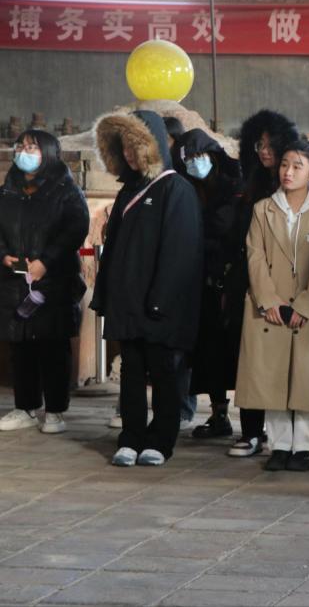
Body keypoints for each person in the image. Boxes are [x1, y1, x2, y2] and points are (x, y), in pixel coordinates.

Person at [92, 110, 203, 467]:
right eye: (123, 147)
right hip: (127, 304)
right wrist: (106, 296)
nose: (128, 154)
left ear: (152, 145)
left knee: (164, 372)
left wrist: (160, 301)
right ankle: (131, 437)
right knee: (131, 371)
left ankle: (161, 440)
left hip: (159, 305)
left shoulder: (176, 188)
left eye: (135, 146)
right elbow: (115, 249)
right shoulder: (128, 190)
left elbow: (180, 252)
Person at [234, 140, 309, 472]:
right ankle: (279, 445)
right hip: (272, 307)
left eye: (297, 166)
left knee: (308, 378)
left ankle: (305, 446)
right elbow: (255, 256)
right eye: (284, 164)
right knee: (273, 375)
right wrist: (268, 301)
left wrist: (305, 305)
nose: (288, 172)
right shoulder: (263, 209)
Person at [0, 130, 89, 435]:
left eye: (32, 148)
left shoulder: (66, 190)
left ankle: (55, 411)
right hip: (15, 280)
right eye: (21, 146)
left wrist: (46, 261)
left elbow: (75, 228)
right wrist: (4, 256)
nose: (23, 152)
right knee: (20, 346)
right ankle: (25, 407)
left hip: (54, 281)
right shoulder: (7, 190)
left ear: (48, 153)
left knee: (53, 346)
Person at [224, 109, 300, 457]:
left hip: (288, 284)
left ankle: (288, 436)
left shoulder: (295, 186)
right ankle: (252, 431)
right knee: (250, 359)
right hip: (249, 281)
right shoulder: (249, 185)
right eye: (259, 145)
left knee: (287, 362)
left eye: (271, 144)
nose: (265, 151)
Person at [166, 129, 245, 441]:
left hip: (230, 278)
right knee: (209, 351)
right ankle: (218, 413)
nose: (195, 162)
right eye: (190, 157)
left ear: (213, 154)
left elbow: (231, 230)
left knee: (238, 349)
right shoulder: (184, 187)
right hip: (199, 282)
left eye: (200, 155)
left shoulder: (234, 185)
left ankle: (254, 421)